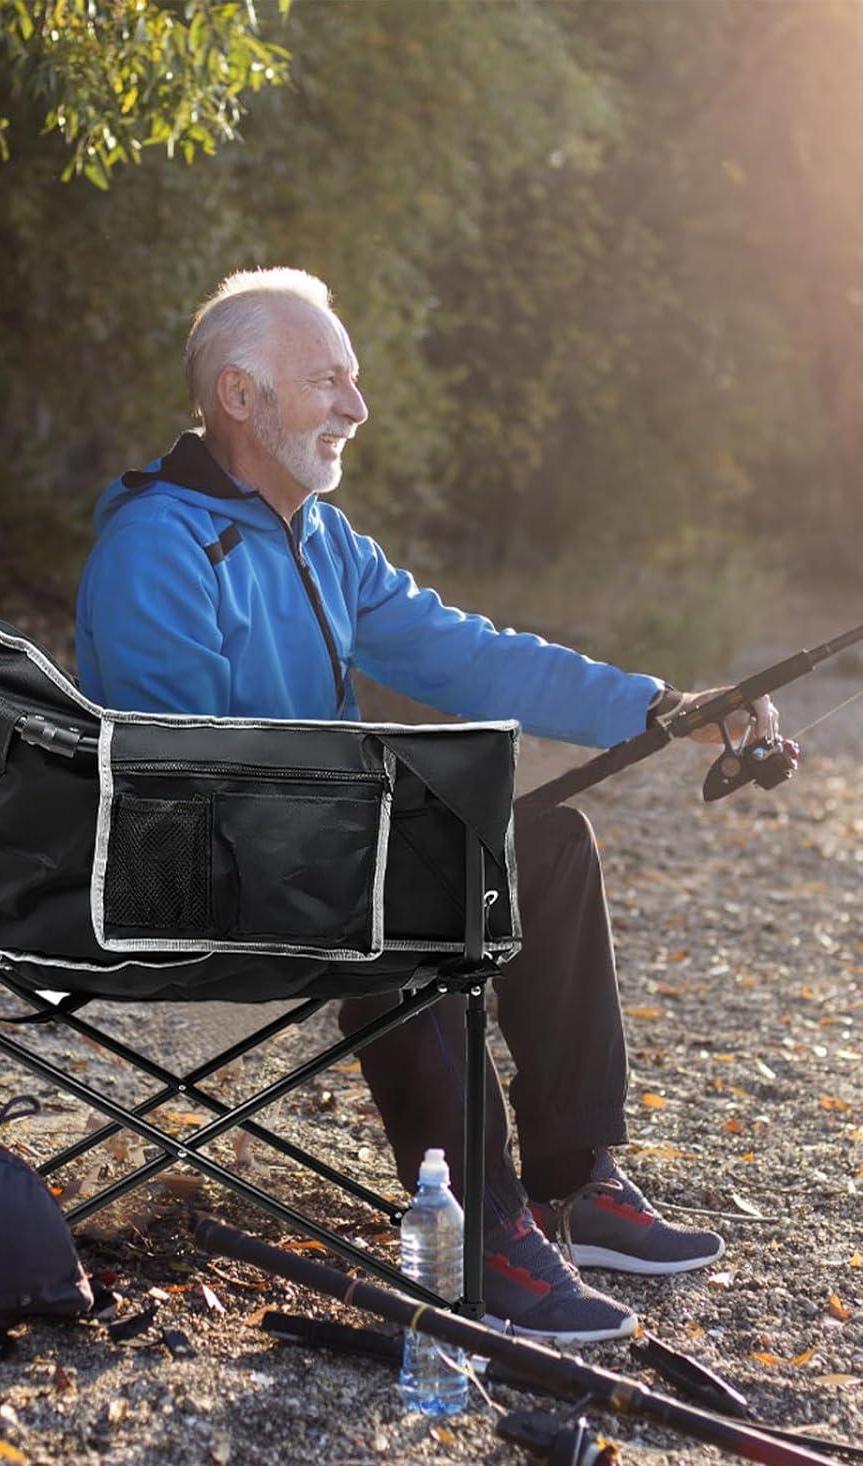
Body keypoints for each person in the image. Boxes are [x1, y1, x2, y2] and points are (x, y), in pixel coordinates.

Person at [76, 267, 777, 1342]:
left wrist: (662, 708)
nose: (356, 407)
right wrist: (367, 816)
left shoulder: (321, 538)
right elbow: (177, 773)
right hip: (196, 872)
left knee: (544, 843)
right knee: (411, 874)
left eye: (354, 381)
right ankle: (478, 1238)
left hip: (311, 846)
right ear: (239, 394)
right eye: (330, 380)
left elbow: (471, 657)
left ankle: (573, 1179)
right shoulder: (157, 544)